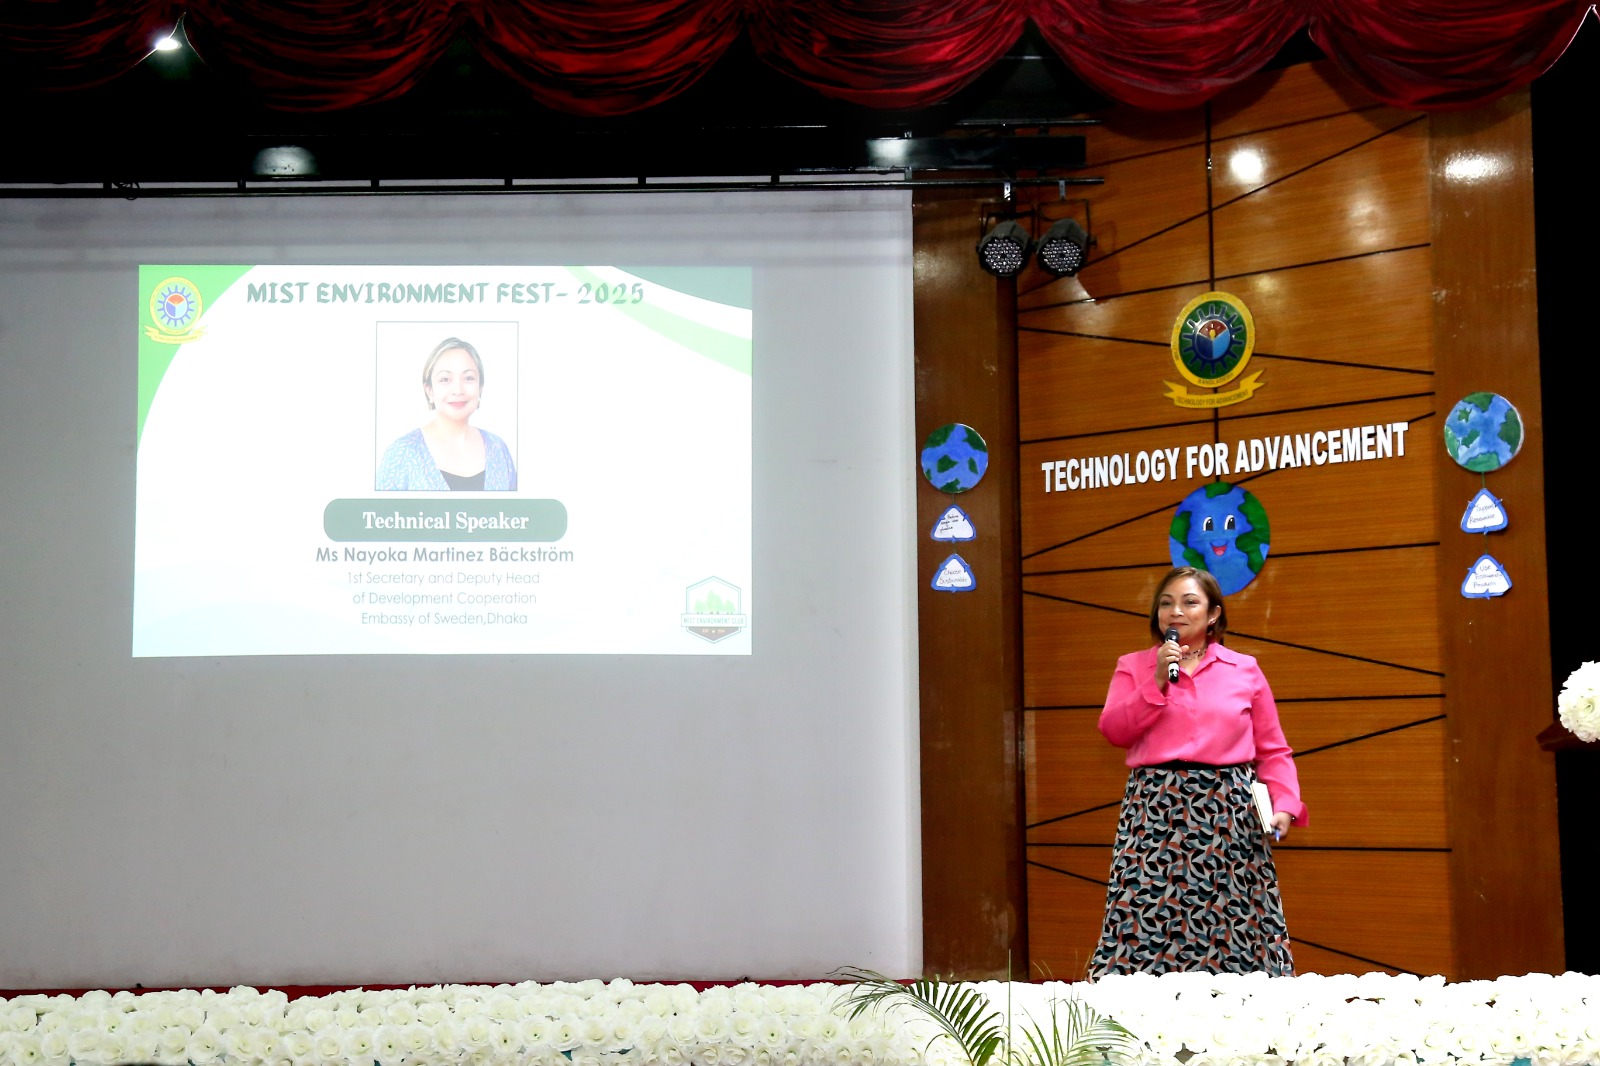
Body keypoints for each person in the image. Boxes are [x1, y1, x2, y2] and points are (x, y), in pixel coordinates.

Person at [1088, 565, 1305, 977]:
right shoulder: (1133, 666)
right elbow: (1115, 731)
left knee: (1234, 917)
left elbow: (1274, 749)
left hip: (1228, 810)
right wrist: (1155, 680)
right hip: (1154, 809)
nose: (1176, 612)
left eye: (1190, 602)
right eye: (1166, 603)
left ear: (1213, 614)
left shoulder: (1244, 668)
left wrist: (1285, 804)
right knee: (1146, 912)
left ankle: (1243, 1006)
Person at [377, 337, 517, 491]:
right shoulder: (402, 453)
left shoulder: (498, 448)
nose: (458, 390)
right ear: (429, 390)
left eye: (468, 378)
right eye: (445, 379)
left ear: (480, 387)